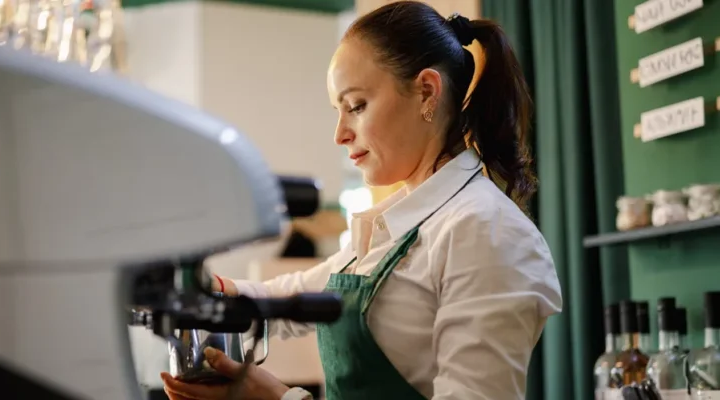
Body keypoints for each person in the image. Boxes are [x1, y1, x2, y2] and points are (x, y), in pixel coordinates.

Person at [161, 1, 562, 399]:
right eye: (339, 110)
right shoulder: (392, 228)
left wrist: (277, 397)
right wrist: (191, 284)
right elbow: (290, 296)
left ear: (426, 91)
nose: (340, 134)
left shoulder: (486, 231)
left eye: (356, 106)